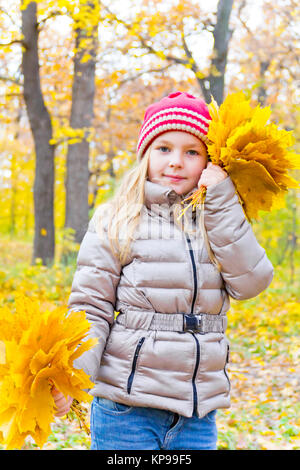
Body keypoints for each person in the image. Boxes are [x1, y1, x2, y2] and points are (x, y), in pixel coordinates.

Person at [52, 91, 274, 450]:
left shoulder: (218, 219)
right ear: (146, 155)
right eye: (164, 148)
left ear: (209, 162)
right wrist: (72, 377)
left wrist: (223, 201)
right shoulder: (117, 219)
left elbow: (251, 282)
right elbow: (90, 308)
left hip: (197, 414)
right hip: (127, 409)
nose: (176, 162)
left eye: (192, 151)